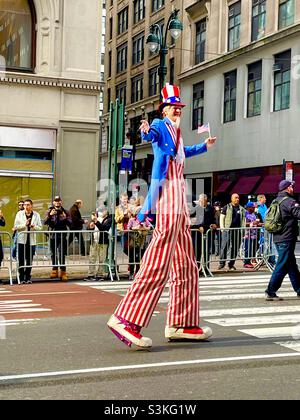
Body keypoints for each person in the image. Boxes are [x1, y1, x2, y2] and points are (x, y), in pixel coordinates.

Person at [107, 83, 216, 349]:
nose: (178, 111)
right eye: (174, 108)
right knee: (159, 257)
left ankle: (181, 322)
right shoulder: (160, 125)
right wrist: (145, 131)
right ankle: (126, 318)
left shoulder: (176, 134)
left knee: (186, 262)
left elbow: (182, 153)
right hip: (166, 191)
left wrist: (203, 146)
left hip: (178, 194)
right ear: (165, 109)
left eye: (180, 108)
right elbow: (151, 135)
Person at [265, 180, 300, 301]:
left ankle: (299, 289)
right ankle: (270, 291)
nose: (292, 188)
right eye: (291, 186)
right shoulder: (289, 202)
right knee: (282, 265)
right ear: (287, 188)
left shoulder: (275, 201)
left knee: (291, 266)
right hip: (287, 238)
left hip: (278, 237)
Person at [13, 199, 42, 284]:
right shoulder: (19, 214)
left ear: (31, 205)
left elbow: (40, 227)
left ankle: (28, 277)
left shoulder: (36, 215)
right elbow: (15, 226)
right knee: (21, 259)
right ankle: (21, 277)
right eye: (25, 205)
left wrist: (34, 226)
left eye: (28, 204)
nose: (26, 206)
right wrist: (24, 225)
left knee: (29, 260)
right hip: (21, 240)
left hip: (31, 241)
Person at [44, 196, 72, 281]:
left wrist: (65, 218)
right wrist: (50, 215)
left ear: (61, 202)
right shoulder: (49, 211)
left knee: (61, 253)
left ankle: (63, 272)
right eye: (56, 201)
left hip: (62, 235)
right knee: (53, 253)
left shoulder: (66, 211)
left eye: (59, 201)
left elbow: (71, 224)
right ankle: (54, 270)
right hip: (52, 235)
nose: (57, 202)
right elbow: (44, 222)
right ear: (53, 202)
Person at [218, 193, 246, 271]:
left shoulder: (241, 209)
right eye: (235, 198)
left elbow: (244, 220)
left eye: (238, 198)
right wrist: (222, 228)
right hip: (227, 230)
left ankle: (231, 264)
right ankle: (222, 263)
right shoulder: (226, 207)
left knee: (235, 248)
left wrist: (243, 230)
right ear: (231, 199)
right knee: (224, 247)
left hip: (237, 231)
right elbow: (222, 218)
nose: (237, 199)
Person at [191, 194, 216, 272]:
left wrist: (214, 224)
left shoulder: (211, 208)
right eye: (199, 200)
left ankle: (206, 268)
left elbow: (213, 219)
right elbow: (192, 220)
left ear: (206, 200)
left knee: (206, 251)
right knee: (197, 251)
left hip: (207, 232)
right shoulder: (196, 208)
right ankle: (196, 269)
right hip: (197, 233)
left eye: (202, 200)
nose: (200, 201)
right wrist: (199, 226)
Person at [85, 209, 112, 281]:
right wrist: (90, 226)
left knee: (102, 259)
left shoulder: (108, 219)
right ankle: (90, 274)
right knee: (92, 258)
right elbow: (88, 228)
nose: (102, 211)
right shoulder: (95, 218)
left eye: (104, 210)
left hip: (103, 242)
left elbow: (104, 228)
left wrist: (96, 221)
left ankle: (100, 275)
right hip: (94, 241)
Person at [243, 201, 263, 269]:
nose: (254, 208)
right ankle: (246, 262)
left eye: (254, 207)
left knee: (252, 248)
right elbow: (244, 224)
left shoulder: (254, 214)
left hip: (254, 235)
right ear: (249, 208)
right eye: (253, 207)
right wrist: (253, 223)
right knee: (247, 249)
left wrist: (262, 224)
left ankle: (251, 260)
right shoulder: (245, 214)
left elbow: (255, 223)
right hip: (247, 235)